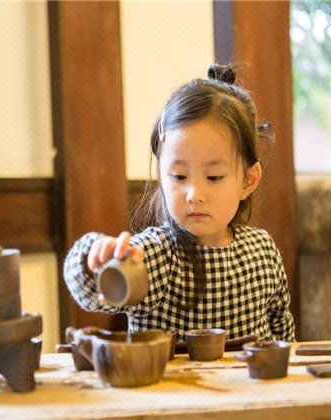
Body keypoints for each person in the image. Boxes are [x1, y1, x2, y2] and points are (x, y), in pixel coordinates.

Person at [64, 64, 295, 343]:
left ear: (249, 179)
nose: (194, 194)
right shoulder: (155, 254)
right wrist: (94, 259)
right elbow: (93, 296)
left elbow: (283, 334)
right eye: (179, 176)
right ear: (161, 174)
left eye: (213, 177)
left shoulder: (263, 250)